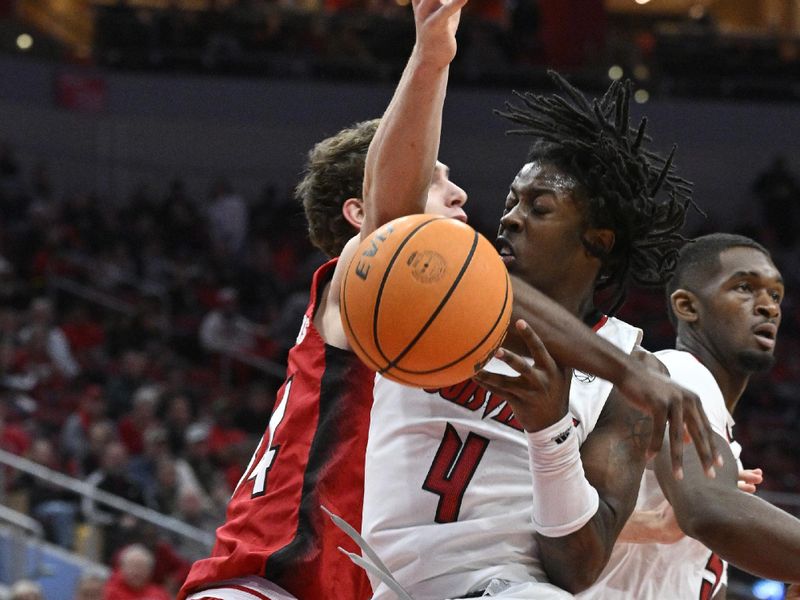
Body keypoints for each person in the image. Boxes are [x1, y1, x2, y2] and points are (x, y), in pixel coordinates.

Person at [356, 0, 719, 596]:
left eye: (538, 207)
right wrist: (431, 55)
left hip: (512, 586)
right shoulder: (441, 287)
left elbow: (577, 566)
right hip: (405, 584)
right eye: (510, 203)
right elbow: (389, 217)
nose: (509, 220)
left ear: (597, 239)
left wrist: (549, 429)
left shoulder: (633, 366)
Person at [178, 118, 469, 600]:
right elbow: (390, 229)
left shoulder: (435, 330)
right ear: (362, 213)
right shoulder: (356, 283)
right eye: (432, 181)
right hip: (266, 584)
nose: (459, 194)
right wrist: (433, 56)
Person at [579, 233, 800, 599]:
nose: (769, 307)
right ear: (687, 306)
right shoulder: (678, 375)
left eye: (775, 295)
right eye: (745, 288)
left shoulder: (721, 437)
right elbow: (709, 514)